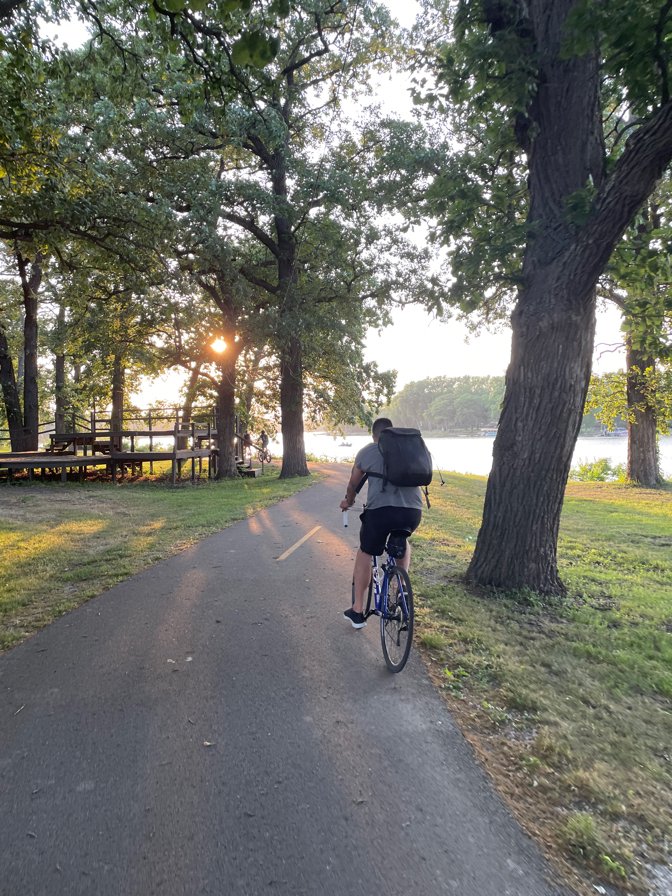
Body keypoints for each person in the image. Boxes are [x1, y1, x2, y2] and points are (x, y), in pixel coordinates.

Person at [339, 417, 423, 628]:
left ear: (374, 436)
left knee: (366, 552)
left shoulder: (368, 450)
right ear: (393, 434)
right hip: (412, 512)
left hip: (380, 513)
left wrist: (348, 502)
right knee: (403, 538)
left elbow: (353, 484)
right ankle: (402, 587)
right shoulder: (410, 450)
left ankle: (358, 611)